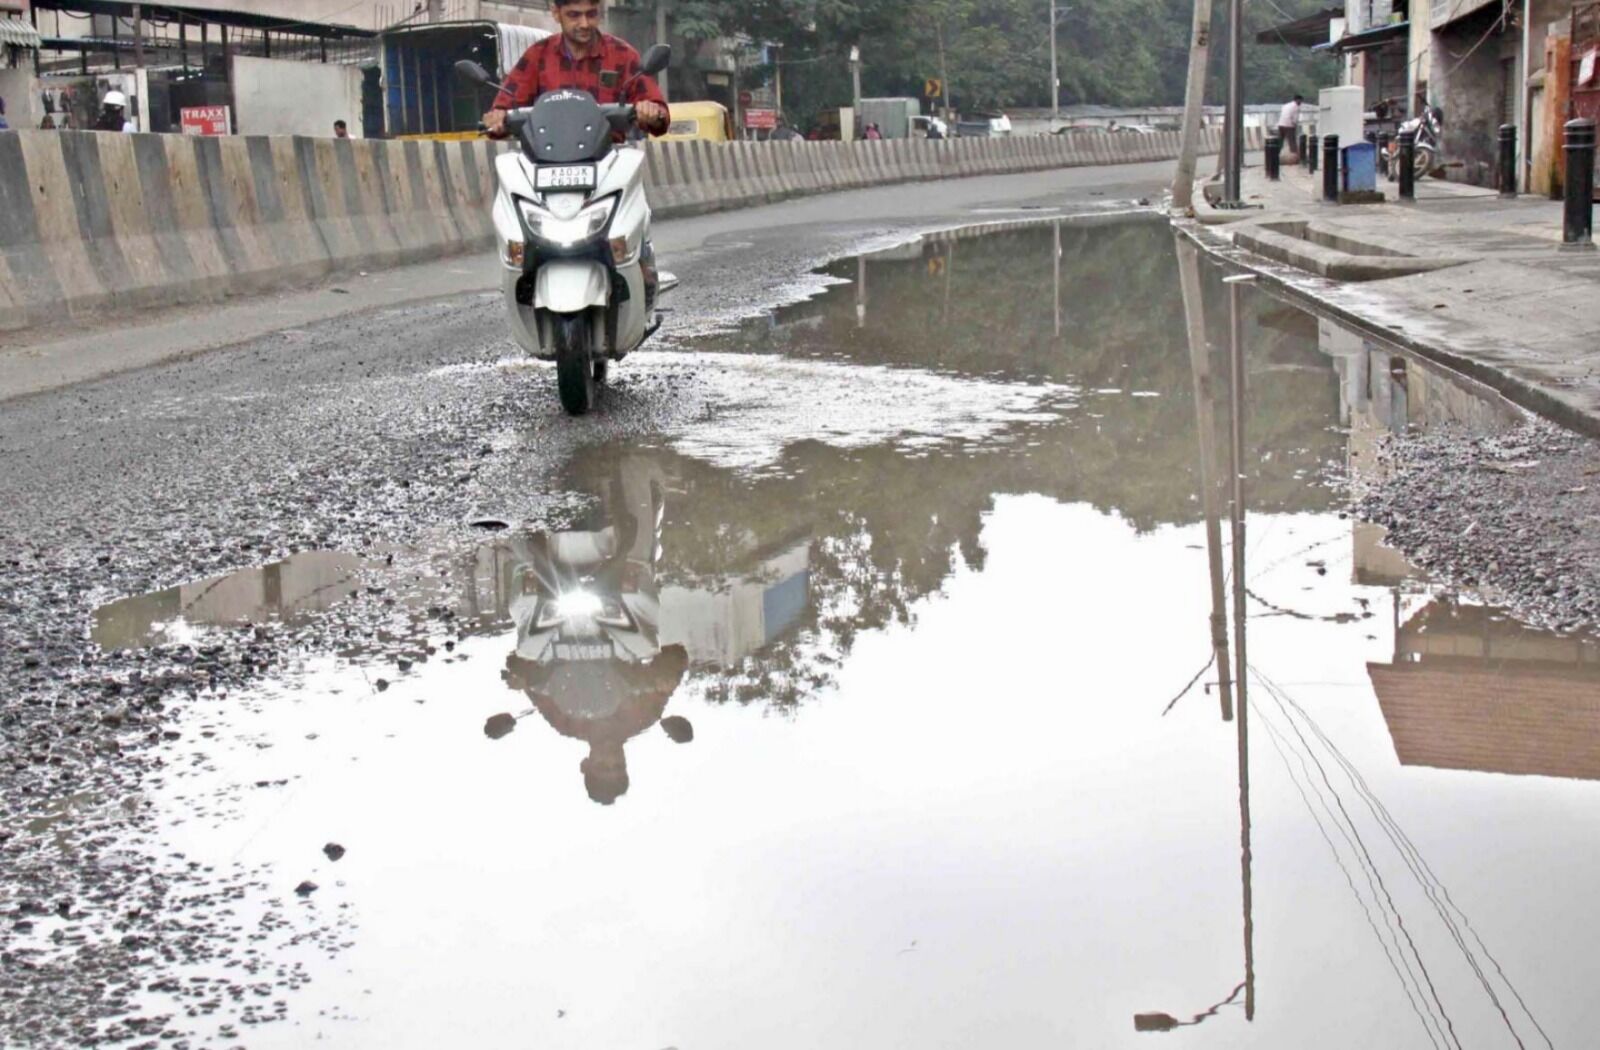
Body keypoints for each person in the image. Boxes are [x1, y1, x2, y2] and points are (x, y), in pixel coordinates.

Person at [481, 0, 668, 140]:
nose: (585, 24)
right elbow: (504, 107)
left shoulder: (623, 54)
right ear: (556, 13)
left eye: (591, 14)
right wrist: (497, 118)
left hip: (609, 161)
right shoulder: (537, 55)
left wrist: (652, 112)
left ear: (600, 12)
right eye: (574, 15)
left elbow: (660, 115)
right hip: (546, 161)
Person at [1277, 94, 1304, 159]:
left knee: (1280, 140)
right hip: (1289, 125)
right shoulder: (1296, 107)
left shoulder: (1286, 105)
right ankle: (1295, 156)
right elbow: (1295, 119)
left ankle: (1276, 153)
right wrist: (1295, 125)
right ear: (1298, 100)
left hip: (1281, 124)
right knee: (1292, 141)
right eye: (1301, 101)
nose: (1301, 103)